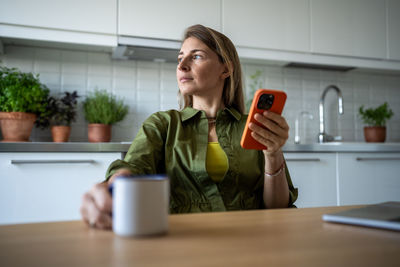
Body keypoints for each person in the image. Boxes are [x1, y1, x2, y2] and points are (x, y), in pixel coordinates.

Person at [80, 24, 298, 229]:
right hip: (182, 242)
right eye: (180, 58)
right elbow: (133, 167)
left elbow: (277, 209)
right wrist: (114, 184)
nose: (182, 66)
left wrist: (273, 154)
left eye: (197, 56)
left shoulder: (253, 127)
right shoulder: (163, 125)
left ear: (226, 69)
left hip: (251, 241)